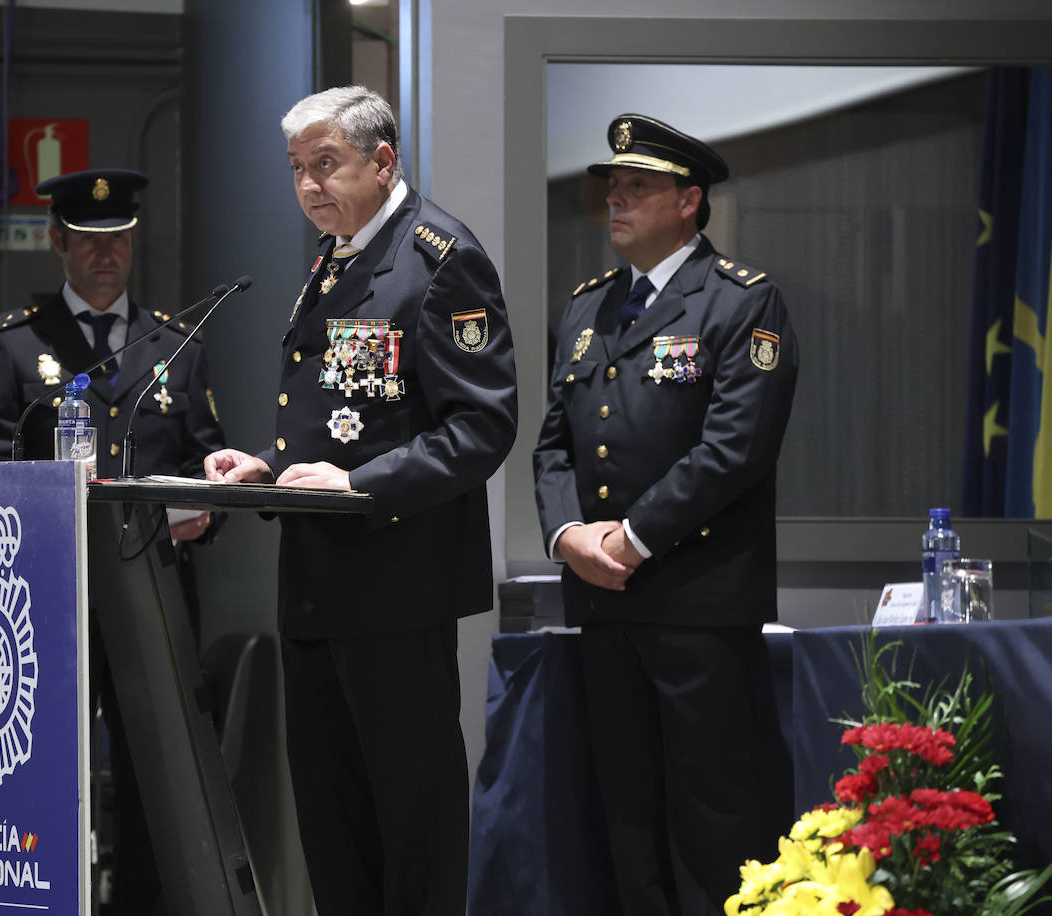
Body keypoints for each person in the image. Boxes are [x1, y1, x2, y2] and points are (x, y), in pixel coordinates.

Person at [203, 86, 518, 916]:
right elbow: (345, 424)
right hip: (317, 588)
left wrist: (361, 486)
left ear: (382, 163)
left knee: (410, 825)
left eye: (326, 165)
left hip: (397, 591)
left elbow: (481, 427)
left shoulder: (441, 259)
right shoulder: (333, 259)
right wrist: (270, 468)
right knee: (334, 827)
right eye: (298, 170)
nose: (308, 186)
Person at [532, 114, 799, 916]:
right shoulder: (586, 310)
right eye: (612, 187)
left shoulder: (742, 303)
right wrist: (568, 534)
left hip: (699, 606)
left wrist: (632, 538)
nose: (614, 200)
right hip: (605, 605)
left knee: (713, 823)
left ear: (689, 201)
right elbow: (553, 448)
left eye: (636, 187)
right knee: (627, 821)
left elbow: (734, 450)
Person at [0, 167, 226, 915]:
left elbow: (212, 461)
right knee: (50, 763)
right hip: (48, 599)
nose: (103, 255)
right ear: (57, 241)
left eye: (116, 240)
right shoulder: (12, 348)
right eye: (86, 240)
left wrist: (207, 509)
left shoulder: (175, 347)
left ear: (134, 241)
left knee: (158, 774)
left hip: (154, 593)